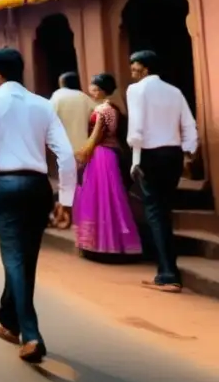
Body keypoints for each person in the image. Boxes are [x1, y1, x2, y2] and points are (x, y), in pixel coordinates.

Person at [0, 48, 75, 364]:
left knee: (14, 257)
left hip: (3, 186)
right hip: (37, 187)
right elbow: (65, 155)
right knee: (25, 258)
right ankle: (9, 319)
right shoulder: (43, 104)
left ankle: (31, 333)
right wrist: (65, 200)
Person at [127, 50, 198, 293]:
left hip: (150, 154)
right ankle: (167, 270)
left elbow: (136, 129)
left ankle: (168, 274)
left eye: (135, 65)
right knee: (163, 211)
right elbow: (189, 125)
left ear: (146, 68)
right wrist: (189, 152)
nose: (132, 69)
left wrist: (135, 161)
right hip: (173, 154)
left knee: (155, 213)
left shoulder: (136, 90)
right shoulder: (174, 91)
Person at [72, 73, 141, 257]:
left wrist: (84, 152)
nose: (92, 92)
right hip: (110, 154)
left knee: (98, 197)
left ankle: (99, 244)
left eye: (95, 89)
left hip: (100, 154)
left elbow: (96, 136)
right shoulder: (114, 109)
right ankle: (112, 242)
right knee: (111, 198)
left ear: (102, 90)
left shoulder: (102, 110)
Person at [51, 72, 97, 162]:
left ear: (62, 83)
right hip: (82, 146)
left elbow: (48, 116)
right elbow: (97, 114)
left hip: (61, 146)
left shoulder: (58, 95)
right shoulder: (84, 97)